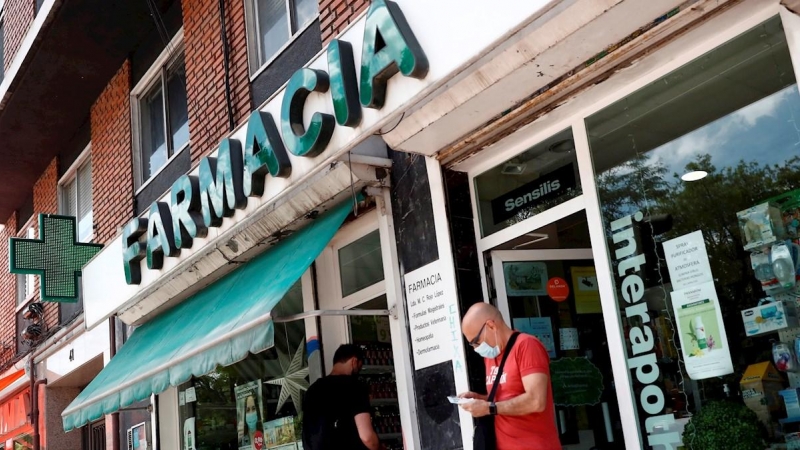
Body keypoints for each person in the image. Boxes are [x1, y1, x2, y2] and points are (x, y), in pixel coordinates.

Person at [459, 303, 561, 450]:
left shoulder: (526, 345)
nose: (476, 349)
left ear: (491, 326)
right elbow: (506, 396)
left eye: (476, 342)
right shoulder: (490, 355)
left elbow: (536, 401)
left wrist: (489, 408)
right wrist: (480, 399)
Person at [302, 344, 383, 450]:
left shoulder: (312, 390)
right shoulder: (355, 387)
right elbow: (367, 437)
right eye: (359, 366)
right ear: (354, 361)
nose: (359, 370)